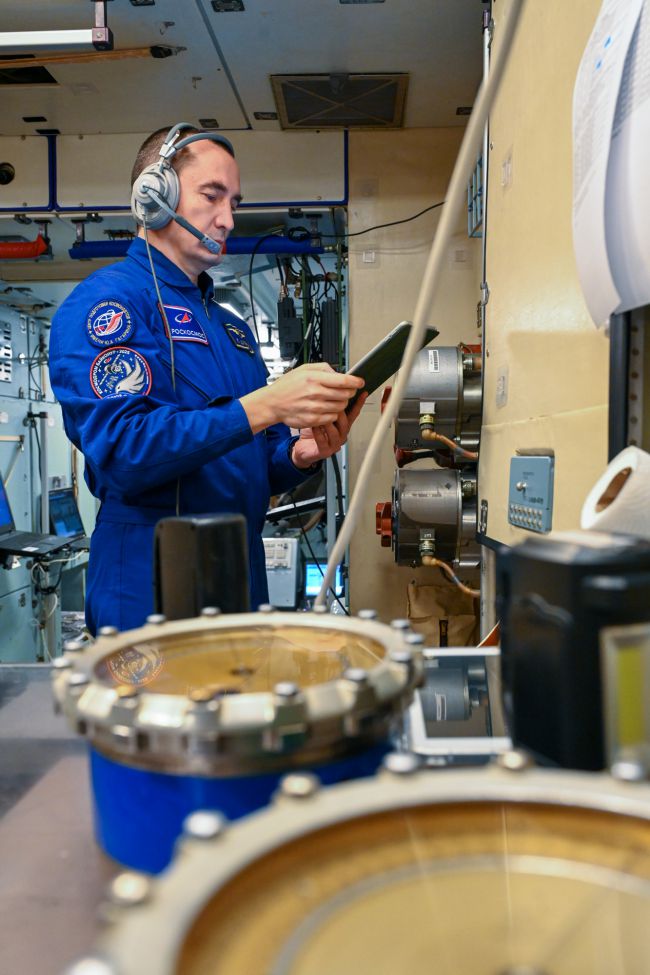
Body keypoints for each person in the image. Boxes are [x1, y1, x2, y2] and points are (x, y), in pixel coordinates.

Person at [49, 124, 366, 635]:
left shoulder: (231, 329)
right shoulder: (108, 305)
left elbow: (252, 457)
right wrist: (267, 405)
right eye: (211, 196)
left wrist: (296, 456)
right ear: (154, 195)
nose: (228, 219)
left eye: (234, 202)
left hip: (238, 576)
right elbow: (124, 450)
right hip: (148, 585)